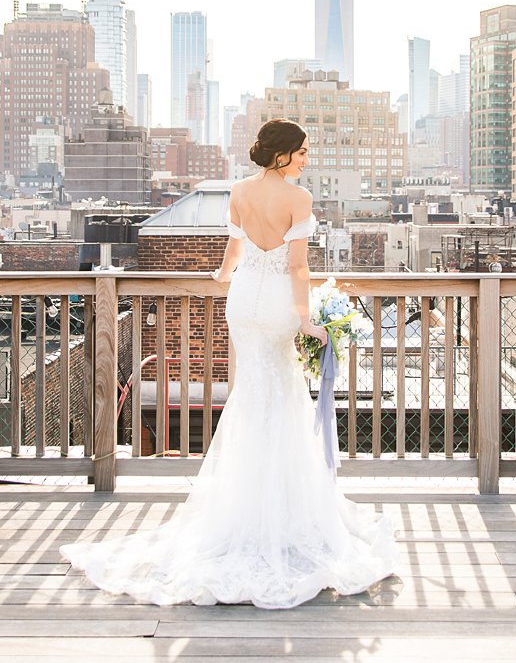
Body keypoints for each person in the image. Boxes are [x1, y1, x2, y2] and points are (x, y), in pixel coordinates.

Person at [61, 118, 397, 609]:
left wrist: (220, 276)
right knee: (281, 396)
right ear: (282, 154)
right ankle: (283, 511)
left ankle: (247, 507)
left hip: (243, 300)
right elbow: (298, 265)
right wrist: (307, 320)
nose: (307, 158)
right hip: (280, 301)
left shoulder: (239, 190)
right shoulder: (298, 199)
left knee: (254, 395)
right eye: (302, 152)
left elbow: (234, 250)